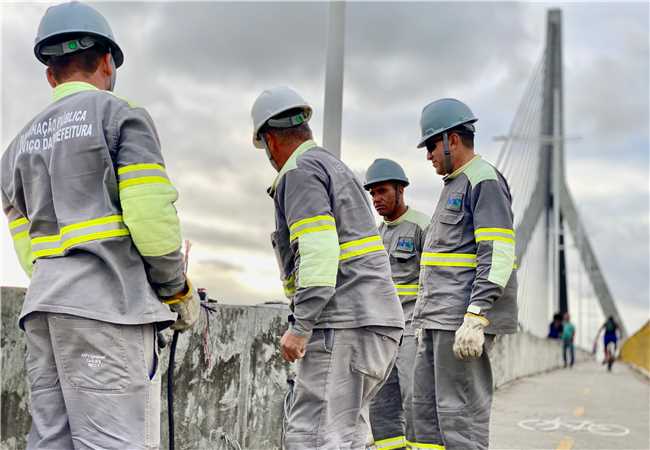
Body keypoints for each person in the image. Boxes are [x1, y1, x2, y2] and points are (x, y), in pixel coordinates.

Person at [1, 2, 199, 448]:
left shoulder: (15, 149)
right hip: (109, 310)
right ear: (108, 62)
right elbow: (151, 222)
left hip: (45, 313)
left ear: (50, 74)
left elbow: (27, 250)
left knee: (51, 439)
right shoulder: (120, 116)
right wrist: (177, 291)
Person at [251, 86, 404, 449]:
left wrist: (300, 327)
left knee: (314, 436)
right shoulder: (333, 167)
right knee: (345, 435)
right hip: (374, 322)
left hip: (344, 323)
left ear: (270, 141)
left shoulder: (300, 171)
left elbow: (319, 251)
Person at [410, 98, 518, 450]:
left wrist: (476, 315)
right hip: (435, 318)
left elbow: (498, 252)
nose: (428, 155)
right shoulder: (454, 184)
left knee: (460, 419)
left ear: (451, 140)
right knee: (424, 415)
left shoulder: (483, 180)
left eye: (430, 145)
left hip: (460, 320)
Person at [363, 159, 429, 450]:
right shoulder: (377, 235)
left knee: (414, 397)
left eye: (382, 191)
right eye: (373, 193)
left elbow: (435, 279)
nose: (377, 199)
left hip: (413, 328)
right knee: (380, 399)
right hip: (383, 331)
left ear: (400, 189)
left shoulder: (422, 227)